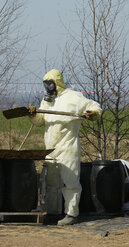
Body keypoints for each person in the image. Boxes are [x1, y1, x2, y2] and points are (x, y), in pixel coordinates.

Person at [28, 69, 102, 226]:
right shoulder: (47, 101)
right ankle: (54, 213)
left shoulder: (73, 98)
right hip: (51, 149)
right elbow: (40, 121)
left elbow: (93, 105)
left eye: (50, 83)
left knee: (70, 182)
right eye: (45, 84)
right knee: (51, 183)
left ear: (57, 83)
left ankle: (71, 214)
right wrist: (33, 114)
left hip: (68, 147)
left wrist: (94, 113)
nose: (47, 87)